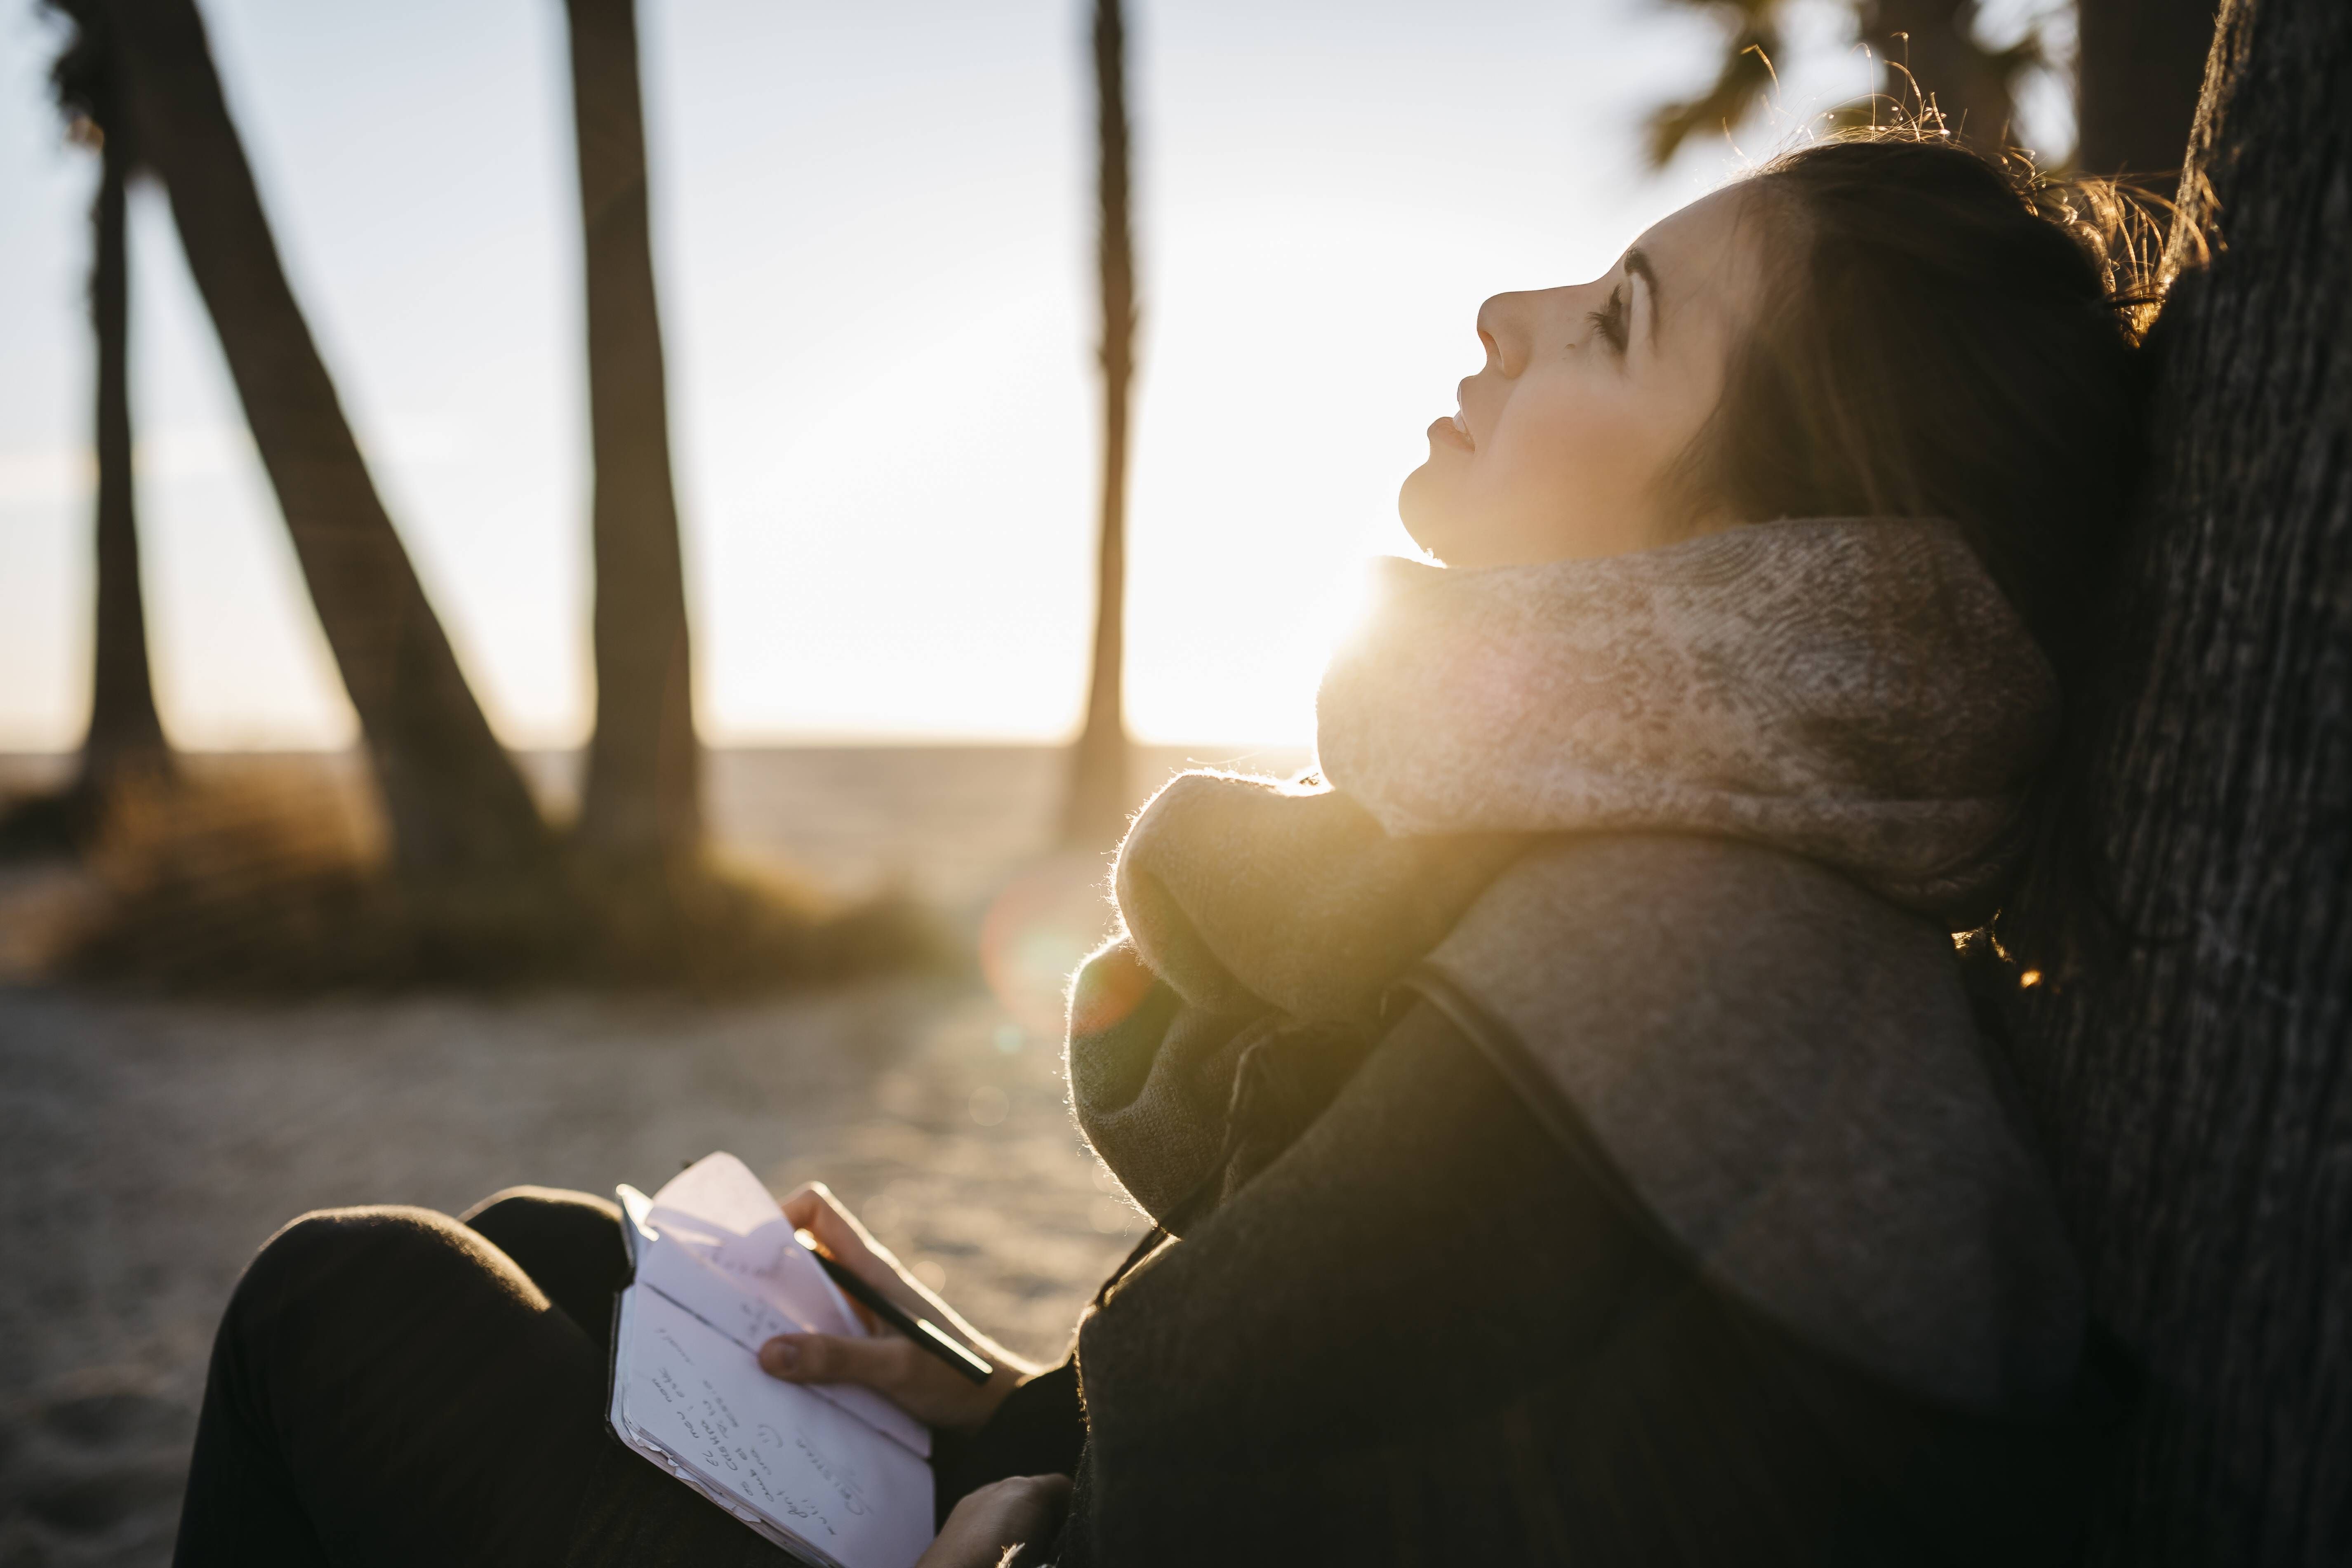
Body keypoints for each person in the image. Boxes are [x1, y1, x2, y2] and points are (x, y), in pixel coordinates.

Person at [172, 126, 2156, 1567]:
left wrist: (1035, 1493)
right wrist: (998, 1399)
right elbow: (1402, 1413)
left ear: (1774, 570)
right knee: (556, 1260)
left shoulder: (1666, 965)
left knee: (338, 1301)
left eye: (1619, 323)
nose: (1510, 310)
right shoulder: (1680, 894)